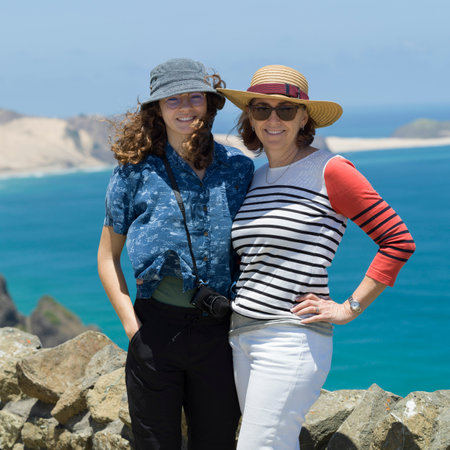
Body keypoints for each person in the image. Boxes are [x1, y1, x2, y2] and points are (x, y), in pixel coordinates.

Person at [217, 65, 416, 449]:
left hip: (289, 338)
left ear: (304, 117)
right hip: (242, 336)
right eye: (261, 109)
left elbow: (396, 240)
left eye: (286, 110)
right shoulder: (256, 178)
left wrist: (349, 308)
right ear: (250, 117)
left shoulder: (331, 170)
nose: (273, 119)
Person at [97, 58, 254, 450]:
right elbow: (106, 257)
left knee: (216, 442)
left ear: (210, 103)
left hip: (220, 332)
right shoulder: (133, 172)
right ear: (157, 109)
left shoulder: (239, 168)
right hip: (155, 331)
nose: (186, 107)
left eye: (195, 97)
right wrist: (134, 330)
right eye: (173, 100)